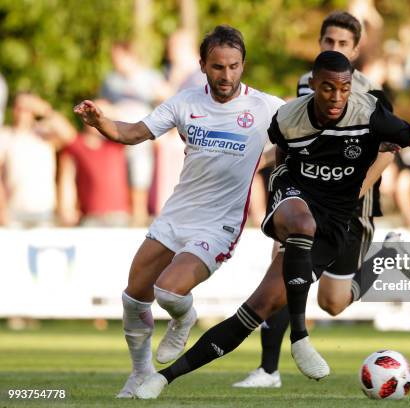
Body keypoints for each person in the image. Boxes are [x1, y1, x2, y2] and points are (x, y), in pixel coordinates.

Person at [133, 50, 410, 399]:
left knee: (256, 310)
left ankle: (164, 379)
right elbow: (280, 153)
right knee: (301, 221)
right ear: (313, 85)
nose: (336, 97)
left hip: (333, 222)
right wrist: (282, 182)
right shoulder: (287, 117)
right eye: (328, 88)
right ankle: (300, 336)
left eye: (344, 88)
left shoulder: (371, 114)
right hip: (293, 197)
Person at [73, 25, 284, 398]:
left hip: (219, 224)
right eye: (218, 67)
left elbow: (304, 133)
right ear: (203, 65)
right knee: (133, 296)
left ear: (243, 65)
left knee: (169, 293)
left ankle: (185, 317)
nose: (227, 75)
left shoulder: (266, 107)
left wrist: (269, 160)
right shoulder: (184, 102)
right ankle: (140, 373)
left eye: (234, 66)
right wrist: (101, 122)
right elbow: (133, 132)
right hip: (177, 214)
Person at [234, 11, 396, 388]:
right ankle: (268, 370)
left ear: (355, 50)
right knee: (286, 269)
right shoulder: (306, 85)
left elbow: (389, 150)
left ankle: (389, 256)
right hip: (307, 199)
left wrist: (354, 190)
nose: (335, 47)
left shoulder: (371, 93)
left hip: (351, 204)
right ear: (320, 43)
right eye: (329, 41)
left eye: (343, 44)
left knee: (332, 303)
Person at [0, 93, 75, 227]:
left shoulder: (45, 134)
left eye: (27, 108)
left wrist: (46, 110)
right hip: (14, 210)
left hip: (44, 211)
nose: (22, 112)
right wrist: (2, 209)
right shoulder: (5, 136)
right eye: (19, 107)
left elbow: (70, 136)